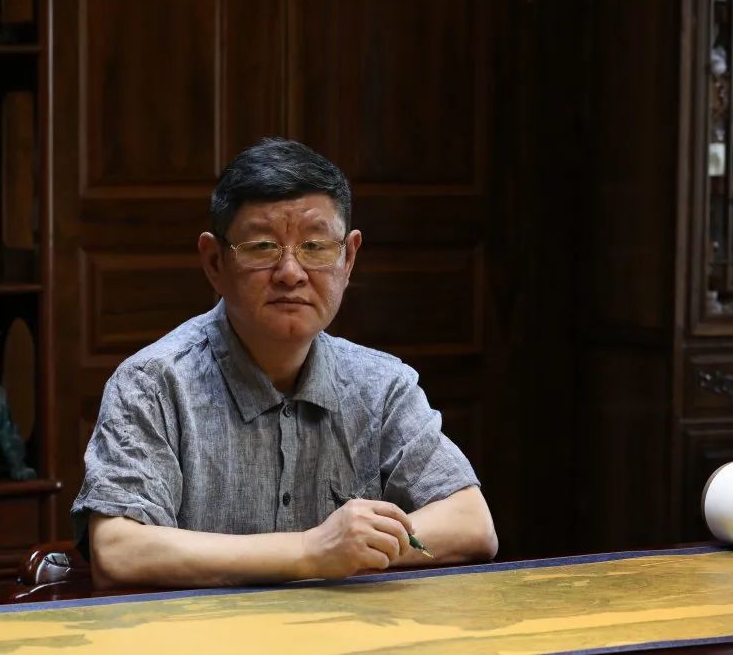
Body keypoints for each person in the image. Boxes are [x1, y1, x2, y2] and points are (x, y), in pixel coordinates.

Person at [71, 138, 498, 590]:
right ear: (214, 262)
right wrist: (312, 551)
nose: (291, 272)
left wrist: (357, 547)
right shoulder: (153, 383)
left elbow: (470, 523)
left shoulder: (382, 384)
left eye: (316, 246)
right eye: (261, 247)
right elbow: (118, 551)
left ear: (349, 258)